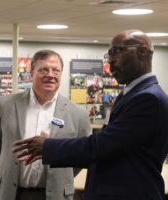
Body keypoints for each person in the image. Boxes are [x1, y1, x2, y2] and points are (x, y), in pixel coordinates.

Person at [13, 30, 168, 200]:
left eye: (116, 51)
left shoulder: (148, 98)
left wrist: (48, 146)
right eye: (108, 54)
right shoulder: (132, 94)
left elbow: (102, 147)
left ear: (142, 51)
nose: (110, 60)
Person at [0, 49, 91, 200]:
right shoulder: (5, 105)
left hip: (55, 194)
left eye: (56, 70)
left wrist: (61, 177)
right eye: (44, 69)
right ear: (31, 74)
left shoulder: (78, 114)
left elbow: (82, 157)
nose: (50, 75)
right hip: (10, 193)